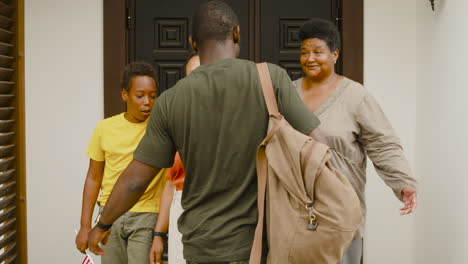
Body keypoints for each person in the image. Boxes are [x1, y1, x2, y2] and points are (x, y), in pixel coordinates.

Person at [87, 1, 322, 263]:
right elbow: (316, 146)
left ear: (192, 42)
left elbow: (134, 180)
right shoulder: (271, 78)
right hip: (260, 244)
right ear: (236, 33)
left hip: (202, 246)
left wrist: (101, 225)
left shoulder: (171, 101)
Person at [293, 18, 418, 264]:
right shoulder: (288, 93)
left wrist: (402, 182)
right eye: (304, 52)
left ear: (335, 54)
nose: (310, 59)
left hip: (341, 215)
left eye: (318, 52)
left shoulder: (355, 96)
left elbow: (383, 144)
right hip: (294, 214)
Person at [75, 62, 167, 264]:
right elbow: (93, 177)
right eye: (140, 95)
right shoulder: (105, 128)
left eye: (153, 96)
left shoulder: (161, 128)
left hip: (146, 214)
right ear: (125, 95)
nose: (147, 102)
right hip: (109, 215)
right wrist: (84, 226)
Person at [149, 54, 200, 264]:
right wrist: (158, 235)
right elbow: (170, 184)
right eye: (191, 76)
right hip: (181, 208)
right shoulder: (177, 120)